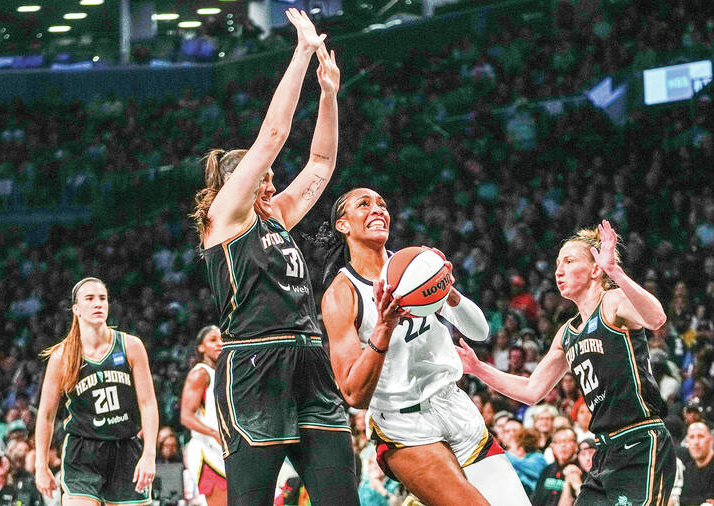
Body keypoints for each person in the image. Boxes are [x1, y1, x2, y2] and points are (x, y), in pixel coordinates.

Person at [190, 9, 357, 505]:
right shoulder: (224, 219)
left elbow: (321, 164)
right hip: (253, 363)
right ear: (232, 185)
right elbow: (273, 137)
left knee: (339, 496)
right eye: (262, 178)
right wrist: (302, 53)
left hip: (308, 356)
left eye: (269, 179)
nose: (272, 184)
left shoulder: (275, 217)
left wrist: (328, 95)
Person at [319, 187, 531, 505]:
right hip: (403, 423)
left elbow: (481, 332)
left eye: (382, 203)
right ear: (343, 224)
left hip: (454, 404)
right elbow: (353, 394)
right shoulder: (341, 294)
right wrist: (384, 328)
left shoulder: (416, 266)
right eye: (364, 205)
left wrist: (449, 290)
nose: (377, 209)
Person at [458, 220, 676, 504]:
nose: (558, 270)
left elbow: (656, 318)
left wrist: (615, 271)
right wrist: (478, 368)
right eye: (557, 263)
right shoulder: (567, 332)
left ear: (596, 269)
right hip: (604, 451)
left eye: (569, 261)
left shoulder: (613, 302)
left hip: (641, 441)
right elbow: (531, 390)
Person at [33, 277, 159, 505]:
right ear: (76, 309)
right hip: (82, 452)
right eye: (89, 299)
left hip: (126, 447)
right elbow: (46, 415)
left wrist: (149, 454)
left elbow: (148, 404)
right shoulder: (62, 356)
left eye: (102, 298)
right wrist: (40, 465)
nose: (98, 304)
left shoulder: (131, 346)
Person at [180, 325, 226, 506]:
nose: (219, 344)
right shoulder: (200, 372)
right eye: (213, 340)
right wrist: (214, 433)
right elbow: (186, 416)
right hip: (206, 449)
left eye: (222, 339)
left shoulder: (221, 374)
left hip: (222, 449)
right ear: (201, 347)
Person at [531, 427, 579, 505]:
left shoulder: (578, 470)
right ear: (552, 446)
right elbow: (535, 499)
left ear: (576, 445)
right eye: (558, 441)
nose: (563, 445)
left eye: (567, 441)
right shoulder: (547, 470)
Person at [678, 422, 714, 506]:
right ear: (687, 442)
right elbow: (682, 499)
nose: (696, 442)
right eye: (691, 437)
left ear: (711, 440)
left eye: (701, 436)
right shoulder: (688, 468)